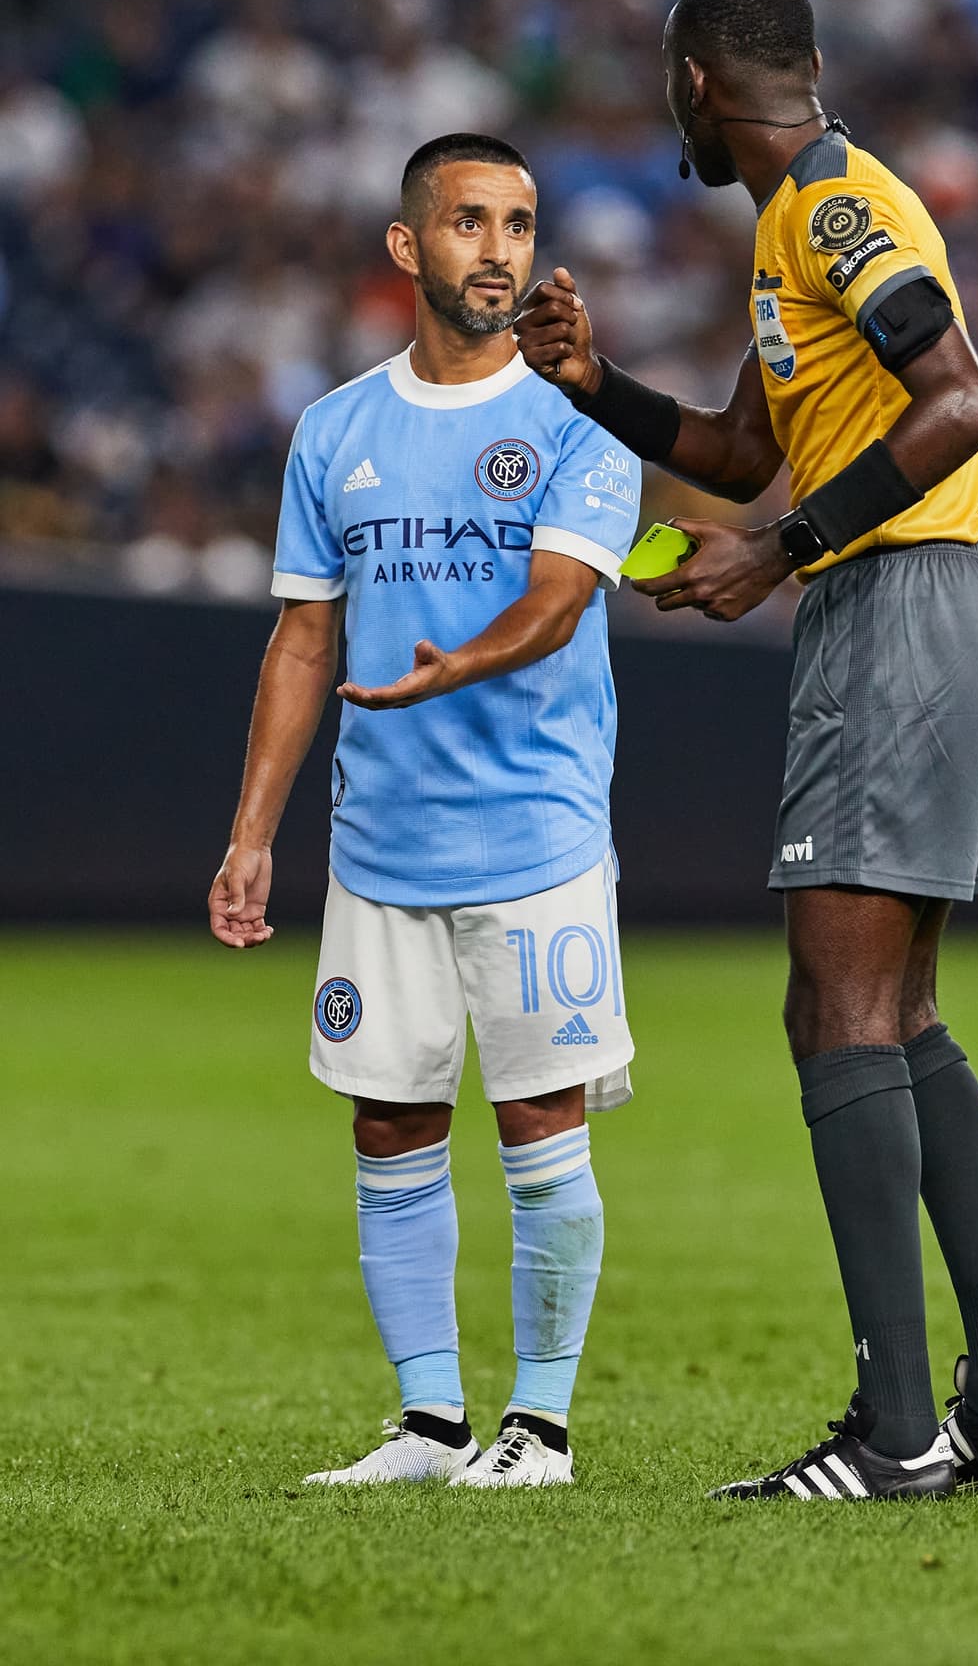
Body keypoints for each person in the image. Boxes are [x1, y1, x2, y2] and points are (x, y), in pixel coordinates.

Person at [516, 0, 978, 1503]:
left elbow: (963, 401)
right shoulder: (790, 231)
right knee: (894, 1010)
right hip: (936, 601)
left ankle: (897, 1432)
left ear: (697, 81)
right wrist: (595, 385)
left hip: (900, 604)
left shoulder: (831, 208)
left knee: (836, 1012)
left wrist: (784, 549)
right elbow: (746, 449)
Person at [208, 133, 638, 1489]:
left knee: (537, 1122)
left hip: (536, 836)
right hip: (380, 844)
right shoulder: (336, 431)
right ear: (409, 248)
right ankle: (431, 1424)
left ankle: (544, 1427)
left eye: (517, 224)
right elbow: (299, 643)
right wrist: (252, 835)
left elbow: (563, 597)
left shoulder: (579, 417)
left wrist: (461, 663)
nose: (499, 249)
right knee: (389, 1120)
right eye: (468, 222)